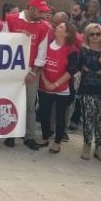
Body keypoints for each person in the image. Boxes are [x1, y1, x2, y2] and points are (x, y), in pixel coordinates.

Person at [3, 0, 52, 150]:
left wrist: (34, 72)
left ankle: (29, 136)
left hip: (31, 70)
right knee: (12, 101)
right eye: (40, 11)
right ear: (31, 8)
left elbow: (42, 52)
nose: (42, 14)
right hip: (12, 69)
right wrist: (17, 38)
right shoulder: (11, 20)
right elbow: (3, 43)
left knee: (30, 105)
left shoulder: (44, 27)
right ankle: (10, 134)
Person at [38, 22, 80, 154]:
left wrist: (55, 84)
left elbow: (71, 71)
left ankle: (57, 143)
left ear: (67, 33)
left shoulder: (72, 50)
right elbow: (40, 63)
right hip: (44, 86)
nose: (56, 27)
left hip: (62, 88)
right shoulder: (46, 45)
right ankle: (45, 137)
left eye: (61, 27)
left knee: (60, 116)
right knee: (44, 113)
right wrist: (45, 81)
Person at [77, 23, 101, 161]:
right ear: (87, 36)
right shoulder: (84, 50)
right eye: (92, 34)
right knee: (88, 118)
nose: (95, 37)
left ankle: (99, 147)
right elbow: (91, 65)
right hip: (88, 89)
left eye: (98, 34)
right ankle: (87, 145)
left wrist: (98, 67)